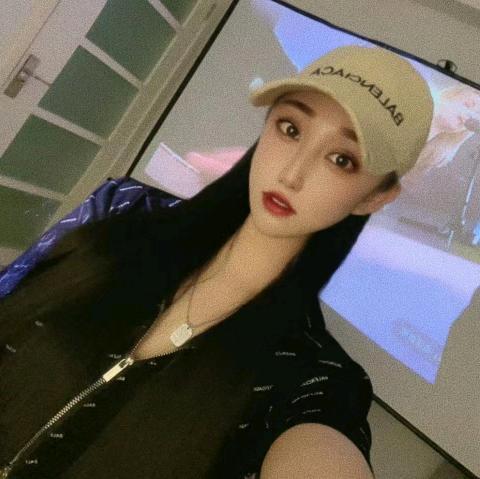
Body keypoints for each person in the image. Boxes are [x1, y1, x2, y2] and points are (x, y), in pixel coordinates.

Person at [0, 45, 433, 479]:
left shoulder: (308, 375)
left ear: (375, 197)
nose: (292, 174)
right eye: (291, 128)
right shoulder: (121, 210)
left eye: (341, 160)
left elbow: (320, 447)